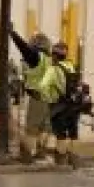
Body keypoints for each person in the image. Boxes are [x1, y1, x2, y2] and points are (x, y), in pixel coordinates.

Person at [9, 28, 66, 164]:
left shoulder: (37, 58)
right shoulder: (51, 60)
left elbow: (24, 49)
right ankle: (41, 153)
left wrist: (13, 33)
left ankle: (28, 156)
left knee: (32, 128)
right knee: (45, 127)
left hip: (38, 98)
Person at [48, 42, 88, 145]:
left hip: (60, 107)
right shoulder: (71, 66)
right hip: (74, 106)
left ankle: (61, 160)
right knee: (73, 134)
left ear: (54, 55)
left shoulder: (53, 69)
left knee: (60, 135)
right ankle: (72, 157)